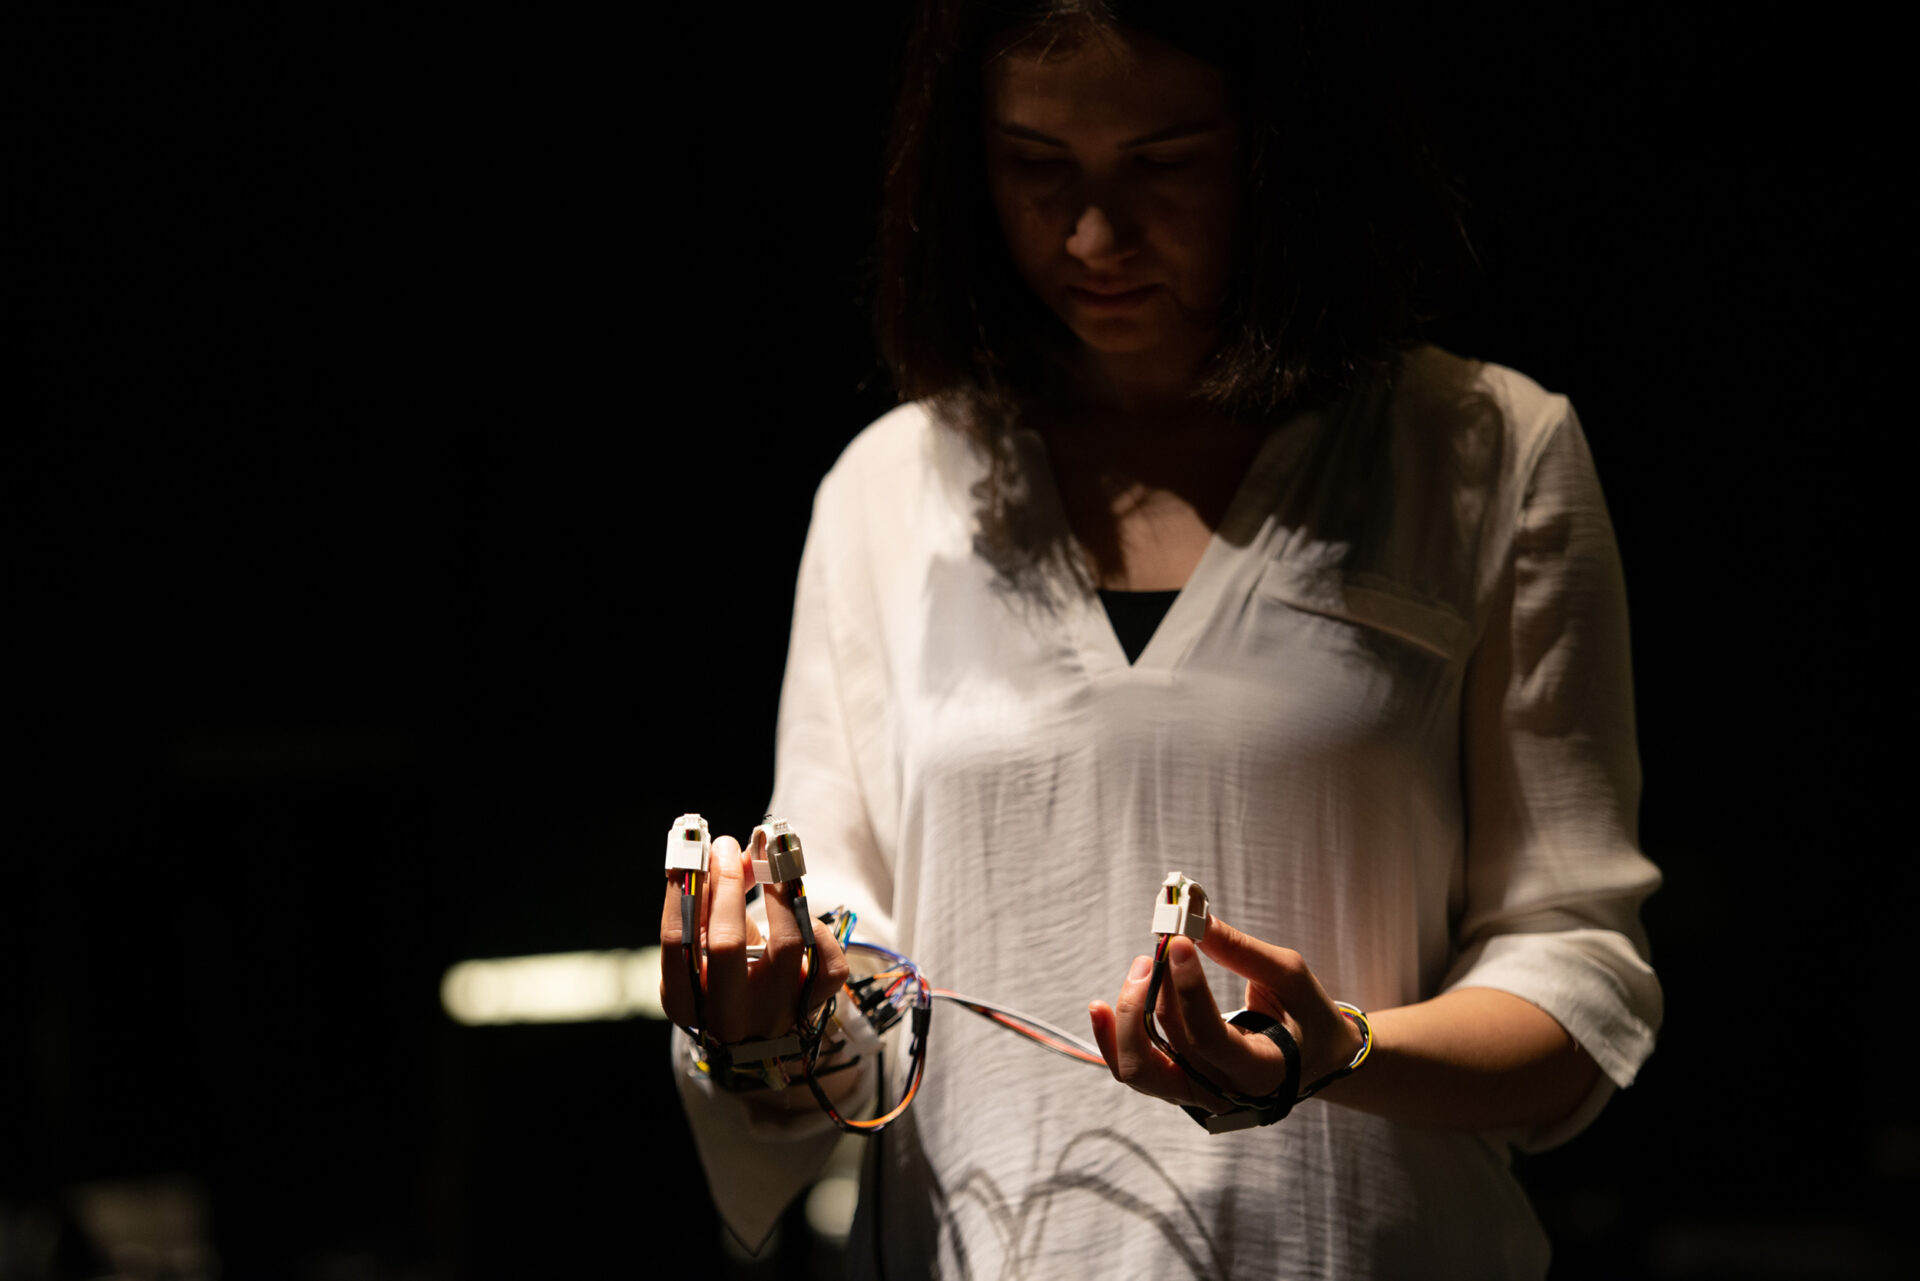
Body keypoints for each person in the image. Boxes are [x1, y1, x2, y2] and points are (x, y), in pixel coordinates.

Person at [661, 3, 1662, 1276]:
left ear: (1283, 149)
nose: (1093, 235)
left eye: (1165, 164)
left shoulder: (1481, 455)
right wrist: (763, 1018)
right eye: (1036, 165)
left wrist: (1335, 1052)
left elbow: (1576, 973)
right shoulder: (893, 490)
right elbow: (847, 996)